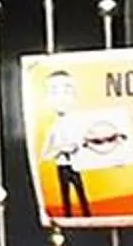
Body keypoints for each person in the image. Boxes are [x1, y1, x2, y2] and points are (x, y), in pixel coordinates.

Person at [41, 71, 97, 219]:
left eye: (67, 90)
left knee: (81, 193)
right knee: (65, 195)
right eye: (54, 92)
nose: (61, 97)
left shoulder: (80, 126)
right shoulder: (52, 129)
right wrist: (60, 149)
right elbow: (45, 155)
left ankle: (87, 217)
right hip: (62, 167)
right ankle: (67, 218)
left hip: (77, 165)